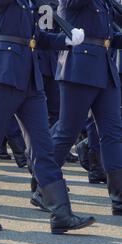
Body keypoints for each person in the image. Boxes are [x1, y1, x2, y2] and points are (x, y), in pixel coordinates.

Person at [0, 0, 95, 234]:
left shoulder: (28, 4)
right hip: (2, 75)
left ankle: (62, 213)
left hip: (29, 79)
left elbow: (37, 38)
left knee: (42, 145)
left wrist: (64, 41)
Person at [51, 0, 122, 216]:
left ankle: (119, 198)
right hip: (79, 66)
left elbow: (107, 35)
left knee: (112, 132)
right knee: (68, 131)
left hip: (104, 68)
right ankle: (44, 183)